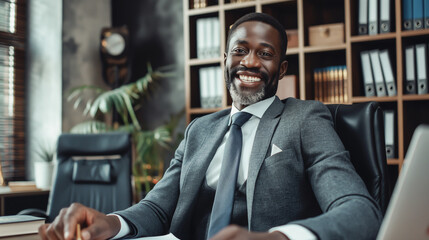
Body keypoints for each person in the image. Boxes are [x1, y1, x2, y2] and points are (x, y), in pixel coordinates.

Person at [39, 13, 382, 240]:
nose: (249, 61)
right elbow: (159, 207)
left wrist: (276, 238)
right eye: (240, 50)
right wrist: (111, 223)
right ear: (226, 61)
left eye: (265, 54)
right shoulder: (199, 130)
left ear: (281, 69)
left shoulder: (305, 118)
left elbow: (359, 210)